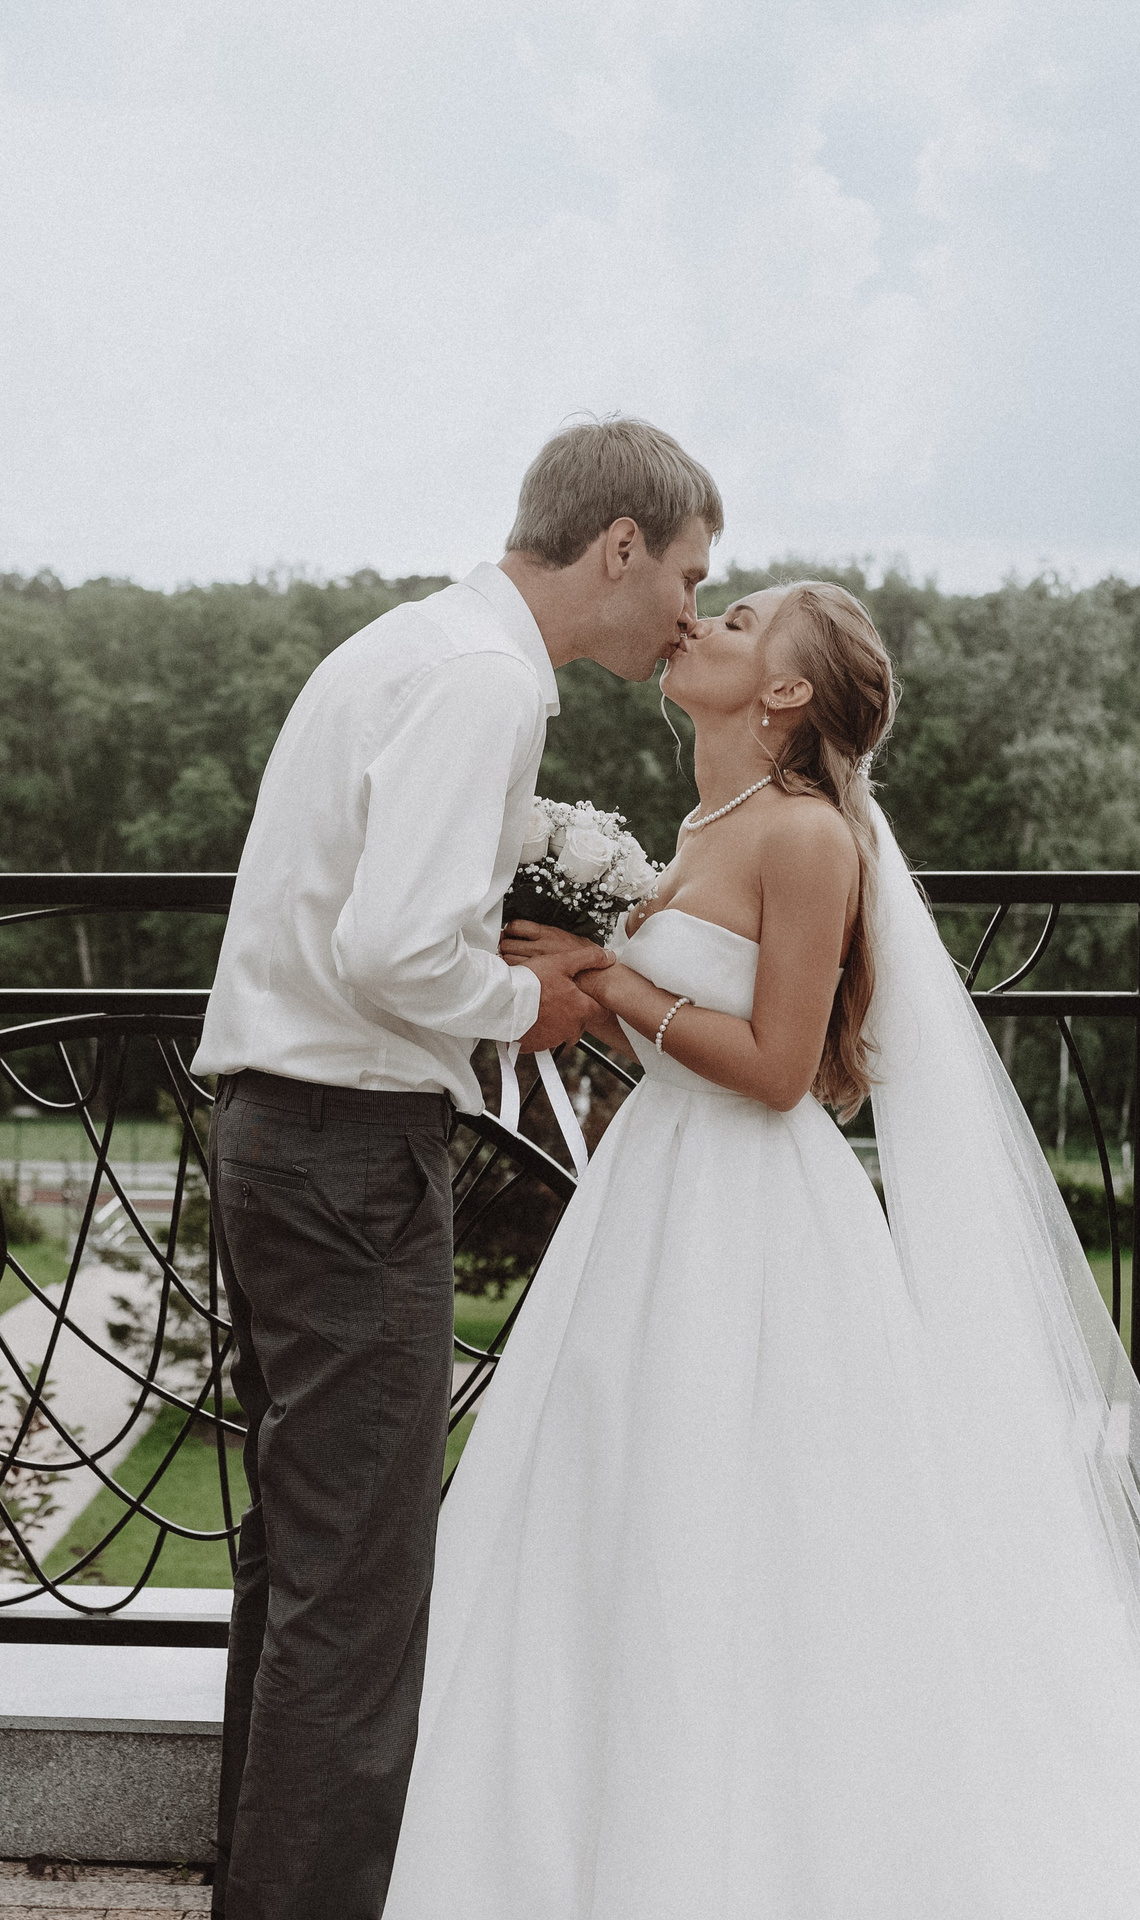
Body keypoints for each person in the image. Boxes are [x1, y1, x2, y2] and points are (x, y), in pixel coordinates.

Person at [380, 581, 1140, 1918]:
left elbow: (785, 1068)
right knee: (622, 1494)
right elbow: (681, 1047)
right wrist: (577, 986)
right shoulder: (700, 822)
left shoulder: (806, 839)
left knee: (749, 1518)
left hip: (756, 1221)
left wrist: (609, 976)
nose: (703, 625)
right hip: (656, 1197)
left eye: (739, 622)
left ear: (788, 694)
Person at [192, 417, 720, 1920]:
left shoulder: (416, 644)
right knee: (360, 1589)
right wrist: (524, 1007)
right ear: (618, 545)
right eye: (688, 572)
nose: (690, 608)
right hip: (348, 1147)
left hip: (283, 1132)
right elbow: (392, 945)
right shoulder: (489, 682)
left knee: (303, 1562)